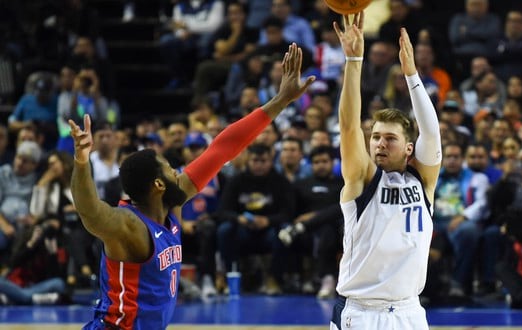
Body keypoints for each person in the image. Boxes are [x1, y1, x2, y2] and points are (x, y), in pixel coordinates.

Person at [68, 43, 314, 330]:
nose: (179, 172)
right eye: (171, 169)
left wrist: (281, 100)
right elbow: (89, 211)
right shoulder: (129, 226)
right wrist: (81, 160)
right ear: (158, 184)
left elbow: (223, 147)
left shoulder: (174, 201)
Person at [331, 13, 441, 330]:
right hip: (361, 312)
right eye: (376, 137)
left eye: (389, 138)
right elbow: (349, 126)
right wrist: (354, 59)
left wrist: (411, 76)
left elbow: (432, 135)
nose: (379, 143)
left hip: (410, 312)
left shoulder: (423, 180)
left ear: (409, 148)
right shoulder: (362, 178)